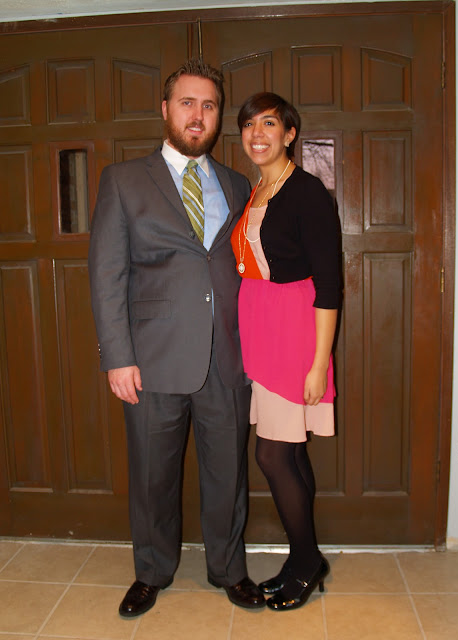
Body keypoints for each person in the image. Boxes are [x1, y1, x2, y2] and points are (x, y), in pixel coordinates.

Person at [88, 59, 265, 617]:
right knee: (152, 476)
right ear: (166, 110)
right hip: (152, 360)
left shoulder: (237, 184)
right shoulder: (123, 180)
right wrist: (117, 357)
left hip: (226, 358)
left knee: (227, 474)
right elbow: (107, 274)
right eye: (187, 103)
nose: (198, 115)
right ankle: (152, 572)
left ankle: (228, 570)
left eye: (209, 105)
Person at [231, 92, 342, 611]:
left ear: (290, 133)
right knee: (291, 450)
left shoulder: (307, 191)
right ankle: (305, 558)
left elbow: (329, 285)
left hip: (293, 335)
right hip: (262, 332)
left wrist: (319, 364)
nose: (258, 134)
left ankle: (305, 561)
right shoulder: (258, 189)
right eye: (249, 124)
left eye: (270, 123)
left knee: (271, 454)